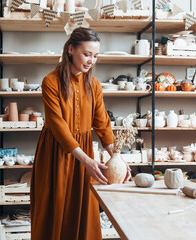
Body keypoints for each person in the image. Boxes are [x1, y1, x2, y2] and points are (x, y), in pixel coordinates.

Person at [30, 27, 131, 240]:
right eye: (87, 54)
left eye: (95, 56)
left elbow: (103, 124)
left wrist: (117, 158)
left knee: (83, 210)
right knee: (54, 210)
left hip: (84, 155)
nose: (91, 61)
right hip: (54, 154)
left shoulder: (93, 85)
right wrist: (87, 160)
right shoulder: (50, 81)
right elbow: (58, 126)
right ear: (70, 50)